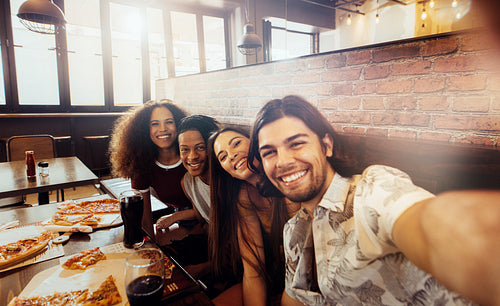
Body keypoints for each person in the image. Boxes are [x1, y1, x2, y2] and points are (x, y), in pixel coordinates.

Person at [248, 95, 500, 306]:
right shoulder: (293, 231)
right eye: (269, 152)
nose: (282, 162)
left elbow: (428, 223)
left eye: (296, 143)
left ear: (327, 146)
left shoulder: (371, 190)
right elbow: (293, 299)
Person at [208, 126, 300, 305]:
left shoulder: (290, 182)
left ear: (257, 143)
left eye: (236, 144)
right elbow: (253, 269)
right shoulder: (243, 196)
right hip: (277, 276)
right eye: (223, 157)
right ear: (225, 170)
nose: (232, 155)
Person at [109, 100, 191, 237]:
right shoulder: (141, 162)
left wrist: (174, 217)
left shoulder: (192, 157)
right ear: (144, 129)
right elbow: (145, 218)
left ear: (179, 124)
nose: (163, 128)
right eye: (155, 124)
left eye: (169, 122)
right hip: (181, 217)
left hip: (211, 219)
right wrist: (150, 245)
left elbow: (212, 207)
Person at [155, 114, 219, 279]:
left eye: (200, 147)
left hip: (232, 258)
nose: (192, 156)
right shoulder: (187, 182)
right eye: (185, 149)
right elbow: (202, 218)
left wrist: (204, 268)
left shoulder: (227, 182)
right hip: (212, 245)